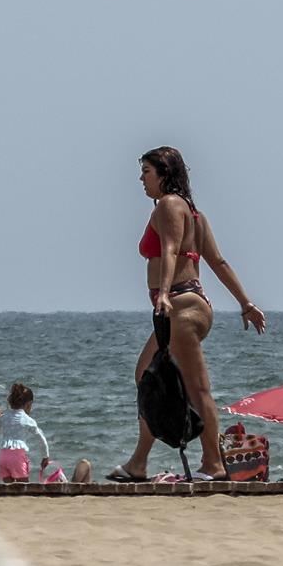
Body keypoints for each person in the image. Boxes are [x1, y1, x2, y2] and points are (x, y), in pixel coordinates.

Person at [109, 146, 266, 482]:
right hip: (191, 306)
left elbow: (169, 250)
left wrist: (163, 293)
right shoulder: (195, 214)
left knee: (197, 389)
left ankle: (213, 464)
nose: (141, 179)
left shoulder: (168, 205)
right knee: (148, 377)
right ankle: (139, 461)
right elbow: (218, 262)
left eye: (146, 172)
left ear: (165, 174)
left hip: (180, 305)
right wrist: (246, 303)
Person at [0, 382, 51, 483]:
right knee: (24, 485)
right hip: (18, 456)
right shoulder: (27, 420)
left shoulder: (4, 417)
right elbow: (40, 438)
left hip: (3, 455)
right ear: (28, 404)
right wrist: (45, 456)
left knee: (8, 487)